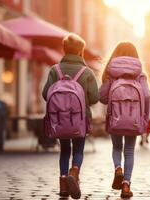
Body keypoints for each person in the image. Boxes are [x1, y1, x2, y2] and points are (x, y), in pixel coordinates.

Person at [42, 33, 99, 199]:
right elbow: (95, 98)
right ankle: (74, 173)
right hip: (80, 119)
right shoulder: (87, 72)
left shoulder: (55, 70)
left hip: (59, 119)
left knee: (64, 150)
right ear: (81, 51)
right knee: (78, 149)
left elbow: (46, 94)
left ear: (64, 49)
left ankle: (63, 186)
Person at [99, 41, 150, 198]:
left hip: (115, 117)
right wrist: (144, 118)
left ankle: (118, 169)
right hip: (134, 119)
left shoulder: (111, 73)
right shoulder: (140, 75)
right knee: (129, 150)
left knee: (116, 147)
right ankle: (126, 186)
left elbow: (102, 97)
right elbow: (147, 96)